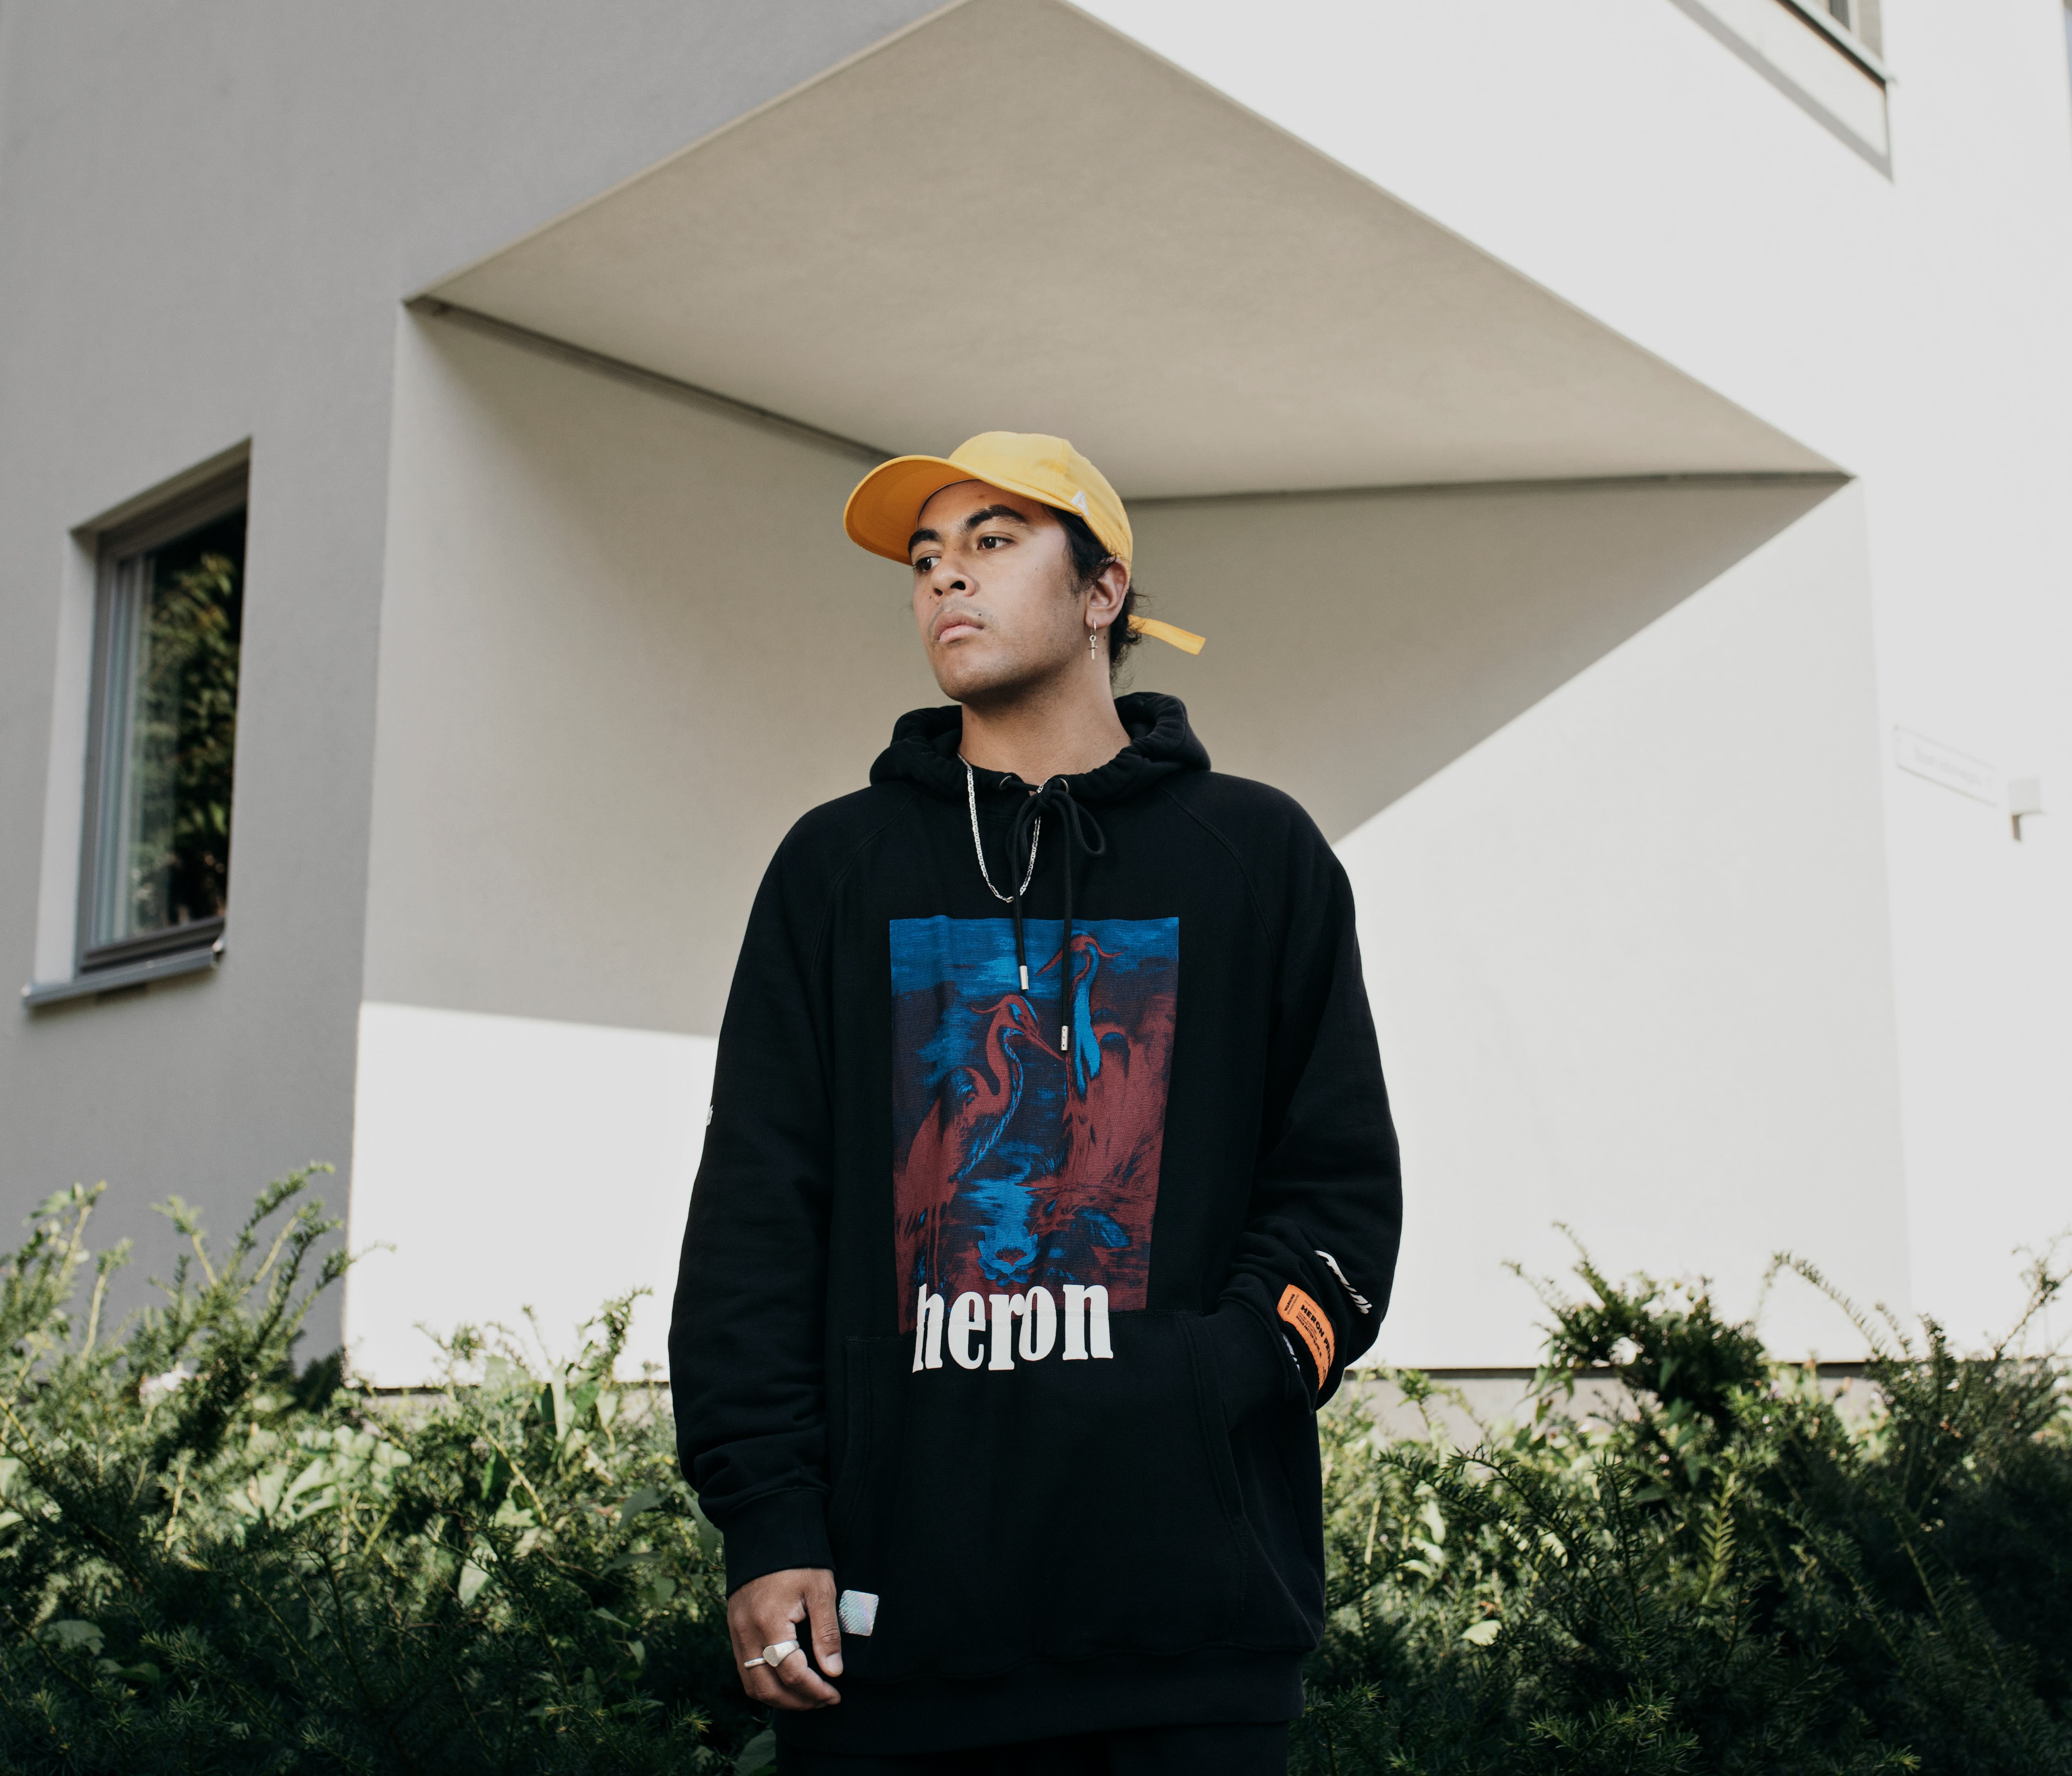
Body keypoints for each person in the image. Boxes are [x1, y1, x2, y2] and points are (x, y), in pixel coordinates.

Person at [669, 432, 1402, 1775]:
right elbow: (757, 1211)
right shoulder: (836, 867)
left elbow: (1337, 1195)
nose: (945, 579)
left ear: (1101, 592)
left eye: (993, 543)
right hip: (894, 1646)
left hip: (1191, 1640)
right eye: (925, 559)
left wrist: (1210, 1379)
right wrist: (766, 1516)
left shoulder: (1255, 856)